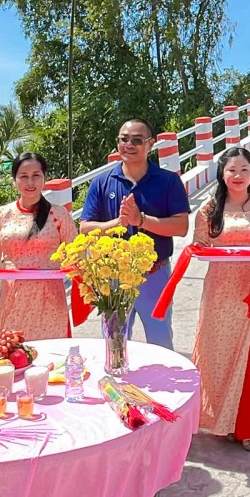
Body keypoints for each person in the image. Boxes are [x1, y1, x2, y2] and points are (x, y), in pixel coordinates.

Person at [191, 147, 250, 451]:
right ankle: (222, 420)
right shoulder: (209, 209)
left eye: (244, 170)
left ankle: (248, 425)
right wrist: (203, 249)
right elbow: (199, 244)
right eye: (232, 170)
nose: (238, 176)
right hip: (219, 293)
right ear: (222, 173)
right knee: (217, 356)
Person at [80, 119, 189, 349]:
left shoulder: (168, 181)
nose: (129, 145)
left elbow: (181, 227)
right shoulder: (102, 183)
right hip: (113, 277)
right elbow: (85, 229)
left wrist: (141, 220)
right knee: (114, 343)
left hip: (154, 274)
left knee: (160, 342)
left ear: (151, 144)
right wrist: (117, 224)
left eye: (137, 140)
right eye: (124, 139)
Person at [0, 153, 75, 338]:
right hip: (13, 295)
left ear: (44, 178)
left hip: (49, 296)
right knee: (12, 348)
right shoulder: (1, 215)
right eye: (23, 176)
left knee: (51, 350)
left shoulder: (59, 215)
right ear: (14, 180)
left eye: (36, 175)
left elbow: (74, 252)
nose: (30, 182)